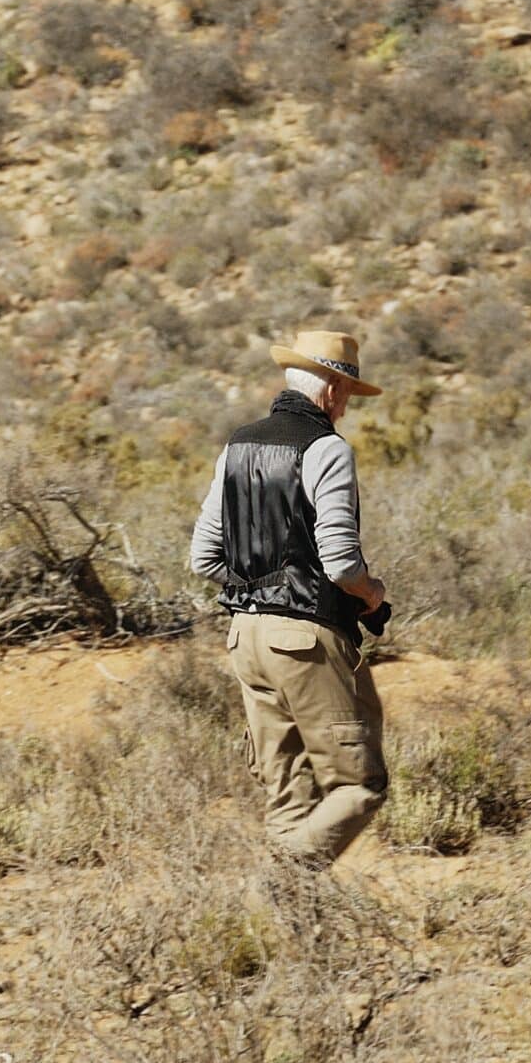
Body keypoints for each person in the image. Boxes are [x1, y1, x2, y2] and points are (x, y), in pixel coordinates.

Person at [189, 330, 390, 868]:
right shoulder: (327, 449)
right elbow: (341, 562)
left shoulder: (236, 446)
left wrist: (257, 586)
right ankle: (276, 882)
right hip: (305, 640)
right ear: (332, 388)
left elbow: (204, 557)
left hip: (245, 638)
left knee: (288, 795)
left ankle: (284, 915)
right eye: (347, 394)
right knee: (360, 785)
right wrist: (370, 593)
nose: (346, 407)